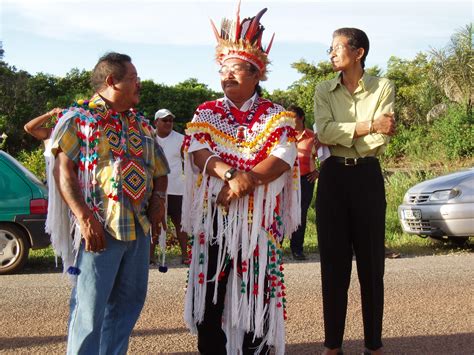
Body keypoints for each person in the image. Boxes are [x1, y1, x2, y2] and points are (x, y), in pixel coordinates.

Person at [182, 5, 300, 355]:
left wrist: (241, 183)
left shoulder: (277, 116)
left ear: (255, 73)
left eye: (234, 69)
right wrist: (232, 176)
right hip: (215, 218)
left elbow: (281, 159)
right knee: (211, 294)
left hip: (259, 221)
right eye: (223, 69)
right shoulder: (207, 111)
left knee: (259, 289)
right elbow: (198, 151)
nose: (227, 75)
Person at [46, 52, 169, 354]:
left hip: (137, 231)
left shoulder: (141, 124)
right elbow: (62, 170)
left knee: (127, 308)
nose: (139, 84)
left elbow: (161, 169)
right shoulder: (78, 120)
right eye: (134, 79)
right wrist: (85, 218)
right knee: (89, 312)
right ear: (112, 81)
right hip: (99, 231)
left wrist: (159, 200)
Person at [314, 28, 396, 355]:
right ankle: (333, 345)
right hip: (333, 177)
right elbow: (324, 133)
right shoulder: (323, 89)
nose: (331, 54)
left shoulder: (383, 87)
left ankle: (373, 345)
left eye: (337, 48)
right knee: (333, 267)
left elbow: (383, 136)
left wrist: (352, 133)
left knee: (372, 267)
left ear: (358, 52)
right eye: (330, 48)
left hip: (367, 177)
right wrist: (367, 126)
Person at [151, 108, 189, 265]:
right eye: (164, 120)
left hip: (176, 189)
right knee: (153, 222)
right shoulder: (148, 137)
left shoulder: (181, 139)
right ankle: (150, 256)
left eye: (170, 120)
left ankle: (186, 255)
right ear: (156, 122)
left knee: (180, 223)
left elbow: (188, 162)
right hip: (153, 190)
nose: (168, 123)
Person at [287, 105, 319, 261]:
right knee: (283, 212)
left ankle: (297, 248)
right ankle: (277, 247)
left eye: (293, 117)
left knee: (300, 214)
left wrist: (318, 171)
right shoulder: (284, 136)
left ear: (301, 118)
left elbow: (326, 156)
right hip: (285, 180)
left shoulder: (312, 137)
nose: (290, 121)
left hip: (305, 180)